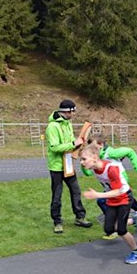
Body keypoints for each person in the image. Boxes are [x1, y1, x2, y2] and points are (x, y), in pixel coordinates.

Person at [79, 144, 137, 264]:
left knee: (121, 230)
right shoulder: (94, 168)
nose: (81, 162)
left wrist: (97, 195)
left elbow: (118, 190)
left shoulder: (111, 169)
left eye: (84, 159)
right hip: (112, 199)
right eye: (81, 160)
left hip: (124, 197)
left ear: (94, 158)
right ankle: (134, 220)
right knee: (108, 228)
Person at [83, 134, 137, 237]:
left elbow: (129, 151)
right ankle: (125, 221)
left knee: (111, 201)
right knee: (126, 203)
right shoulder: (94, 158)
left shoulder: (110, 152)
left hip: (119, 182)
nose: (92, 149)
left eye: (94, 147)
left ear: (101, 145)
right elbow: (88, 172)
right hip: (109, 185)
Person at [45, 99, 92, 234]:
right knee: (57, 196)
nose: (74, 114)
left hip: (68, 164)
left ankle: (80, 217)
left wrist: (78, 145)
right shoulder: (52, 127)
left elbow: (70, 142)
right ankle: (57, 222)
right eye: (73, 111)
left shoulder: (68, 123)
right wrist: (73, 143)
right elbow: (54, 147)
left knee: (76, 191)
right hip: (57, 167)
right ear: (67, 111)